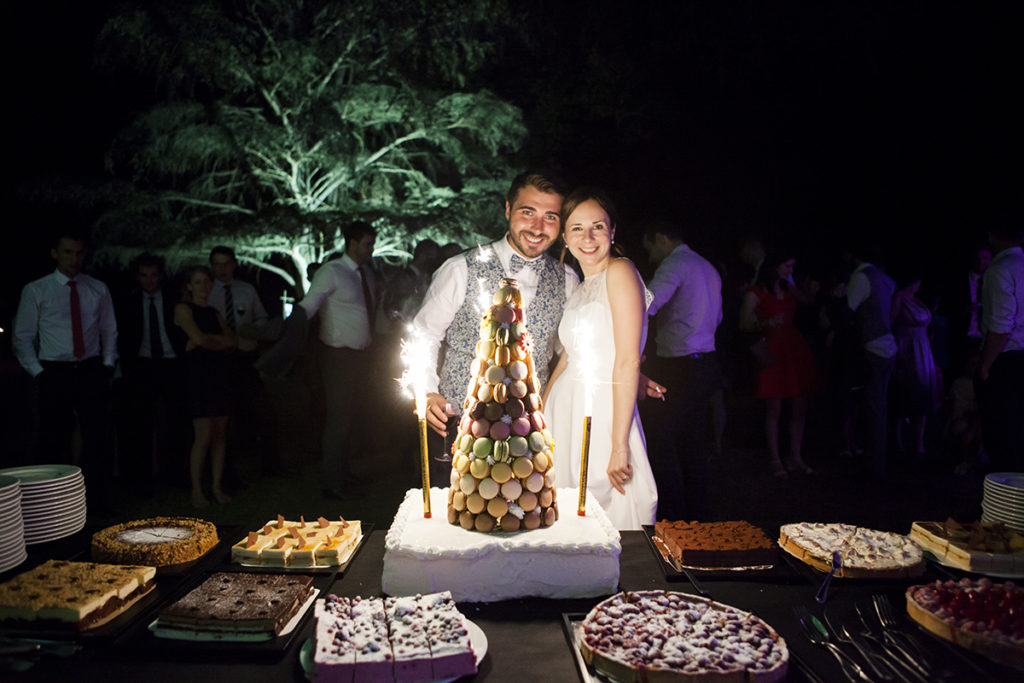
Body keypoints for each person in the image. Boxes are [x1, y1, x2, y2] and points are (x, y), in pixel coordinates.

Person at [413, 171, 579, 485]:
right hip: (459, 426)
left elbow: (574, 350)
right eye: (527, 212)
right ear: (507, 210)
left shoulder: (568, 279)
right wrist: (427, 391)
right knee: (453, 524)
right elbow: (425, 334)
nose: (537, 227)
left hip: (528, 431)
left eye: (550, 217)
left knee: (524, 524)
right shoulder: (459, 268)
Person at [545, 187, 658, 530]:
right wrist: (542, 410)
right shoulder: (581, 286)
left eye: (598, 226)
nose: (588, 237)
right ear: (564, 237)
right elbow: (567, 357)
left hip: (603, 409)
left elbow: (627, 359)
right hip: (565, 409)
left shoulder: (620, 271)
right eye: (577, 228)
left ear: (612, 232)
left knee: (610, 510)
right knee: (566, 513)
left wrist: (619, 444)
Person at [13, 232, 118, 507]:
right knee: (53, 435)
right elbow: (22, 335)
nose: (75, 259)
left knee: (97, 434)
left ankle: (96, 496)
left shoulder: (97, 288)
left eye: (79, 253)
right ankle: (52, 499)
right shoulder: (37, 289)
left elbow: (108, 328)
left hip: (90, 367)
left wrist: (107, 363)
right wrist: (38, 372)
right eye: (68, 252)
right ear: (55, 253)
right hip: (54, 369)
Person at [639, 220, 723, 520]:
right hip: (707, 361)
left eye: (650, 248)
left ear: (661, 237)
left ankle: (673, 515)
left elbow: (645, 304)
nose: (650, 256)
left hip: (679, 364)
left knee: (662, 439)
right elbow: (719, 315)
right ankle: (699, 513)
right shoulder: (708, 267)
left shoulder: (675, 265)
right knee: (693, 440)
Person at [298, 221, 378, 498]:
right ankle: (332, 482)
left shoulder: (365, 273)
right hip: (337, 355)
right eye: (367, 243)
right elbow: (309, 306)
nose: (371, 249)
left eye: (372, 243)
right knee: (338, 419)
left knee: (351, 417)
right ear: (352, 243)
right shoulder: (331, 272)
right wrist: (288, 329)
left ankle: (344, 473)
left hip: (361, 356)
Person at [740, 250, 819, 478]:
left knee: (799, 404)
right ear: (775, 267)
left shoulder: (788, 288)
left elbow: (807, 301)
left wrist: (794, 283)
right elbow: (744, 324)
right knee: (774, 406)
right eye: (787, 266)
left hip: (794, 349)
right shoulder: (756, 292)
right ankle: (775, 459)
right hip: (772, 349)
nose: (790, 271)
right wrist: (766, 322)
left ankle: (795, 456)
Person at [115, 253, 188, 488]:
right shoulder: (128, 301)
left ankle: (176, 474)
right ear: (138, 276)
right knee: (139, 423)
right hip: (142, 365)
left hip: (172, 363)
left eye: (154, 275)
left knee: (177, 421)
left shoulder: (173, 298)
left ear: (161, 276)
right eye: (144, 275)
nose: (149, 281)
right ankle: (141, 478)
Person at [207, 245, 279, 475]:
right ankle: (228, 468)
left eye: (226, 263)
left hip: (246, 357)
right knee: (225, 415)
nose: (222, 269)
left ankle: (268, 463)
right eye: (217, 264)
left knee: (261, 410)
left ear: (234, 264)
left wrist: (253, 330)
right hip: (218, 360)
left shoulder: (246, 290)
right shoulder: (206, 291)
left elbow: (262, 317)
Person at [174, 266, 236, 507]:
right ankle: (197, 490)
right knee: (203, 434)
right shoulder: (183, 308)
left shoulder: (214, 312)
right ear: (189, 286)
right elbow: (197, 337)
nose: (203, 287)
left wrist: (207, 341)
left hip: (218, 374)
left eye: (206, 282)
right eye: (197, 282)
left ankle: (216, 486)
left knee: (220, 432)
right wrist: (213, 341)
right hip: (198, 376)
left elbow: (231, 340)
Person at [845, 245, 897, 478]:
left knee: (873, 407)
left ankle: (874, 465)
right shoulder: (885, 279)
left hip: (872, 347)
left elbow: (848, 310)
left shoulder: (861, 277)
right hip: (888, 345)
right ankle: (878, 460)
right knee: (880, 406)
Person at [976, 222, 1024, 472]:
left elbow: (1001, 326)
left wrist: (985, 364)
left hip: (1007, 358)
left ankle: (1008, 505)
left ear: (991, 236)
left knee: (1004, 437)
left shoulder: (1000, 269)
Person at [890, 271, 940, 457]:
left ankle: (919, 442)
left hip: (922, 347)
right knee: (903, 394)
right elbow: (891, 322)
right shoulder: (900, 298)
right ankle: (899, 441)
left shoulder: (918, 299)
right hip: (907, 347)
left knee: (923, 393)